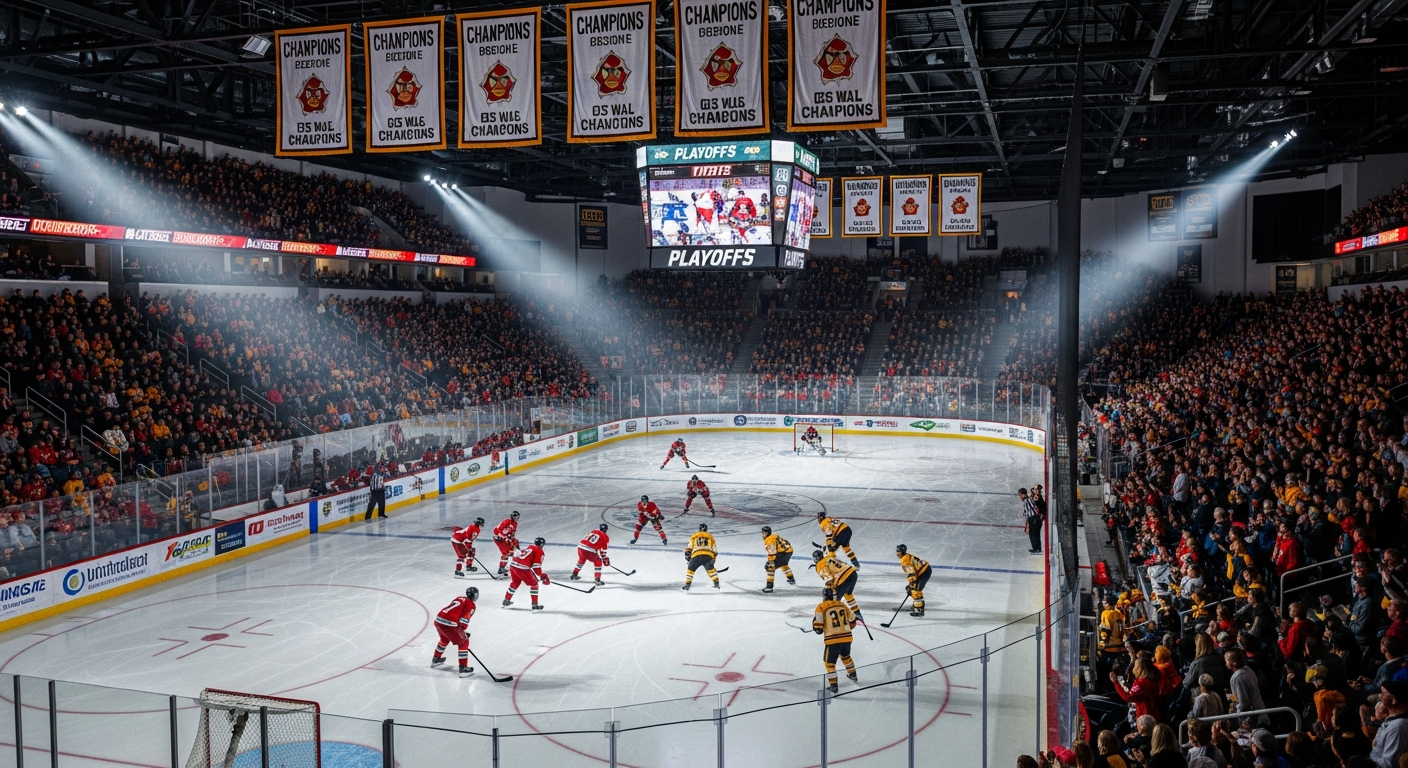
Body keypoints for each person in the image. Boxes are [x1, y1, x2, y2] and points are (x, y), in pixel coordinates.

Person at [812, 586, 858, 694]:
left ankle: (834, 686)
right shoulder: (842, 604)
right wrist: (845, 628)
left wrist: (816, 627)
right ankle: (853, 674)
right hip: (847, 637)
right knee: (846, 656)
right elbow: (853, 620)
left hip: (833, 640)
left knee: (829, 663)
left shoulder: (821, 607)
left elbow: (818, 628)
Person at [432, 587, 478, 677]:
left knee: (444, 639)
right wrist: (462, 632)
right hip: (450, 624)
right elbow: (464, 620)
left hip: (438, 620)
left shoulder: (459, 598)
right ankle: (463, 668)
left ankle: (436, 659)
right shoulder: (471, 605)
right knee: (464, 643)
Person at [813, 548, 862, 620]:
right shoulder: (828, 557)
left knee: (833, 601)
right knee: (848, 594)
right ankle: (857, 613)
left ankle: (832, 620)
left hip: (842, 579)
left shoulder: (820, 565)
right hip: (852, 573)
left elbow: (829, 578)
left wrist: (828, 589)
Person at [1369, 679, 1408, 768]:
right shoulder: (1393, 720)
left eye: (1383, 693)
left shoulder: (1398, 727)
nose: (1379, 696)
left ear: (1394, 700)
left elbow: (1389, 763)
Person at [1225, 648, 1269, 727]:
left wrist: (1243, 719)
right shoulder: (1248, 670)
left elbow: (1242, 701)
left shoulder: (1237, 678)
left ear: (1234, 663)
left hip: (1250, 718)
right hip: (1259, 710)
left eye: (1227, 660)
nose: (1226, 663)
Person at [503, 536, 549, 610]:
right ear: (542, 545)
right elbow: (536, 566)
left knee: (515, 582)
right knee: (534, 584)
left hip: (513, 565)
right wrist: (542, 576)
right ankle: (534, 605)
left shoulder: (530, 547)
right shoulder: (540, 551)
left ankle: (506, 600)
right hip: (522, 569)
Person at [897, 544, 932, 617]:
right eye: (897, 551)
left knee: (915, 590)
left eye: (899, 551)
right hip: (923, 571)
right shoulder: (905, 557)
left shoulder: (905, 560)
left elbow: (911, 574)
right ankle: (917, 605)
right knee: (913, 588)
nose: (897, 553)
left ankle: (919, 609)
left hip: (924, 572)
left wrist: (912, 585)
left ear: (903, 552)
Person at [682, 523, 720, 591]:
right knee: (710, 570)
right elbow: (715, 551)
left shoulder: (694, 536)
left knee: (690, 569)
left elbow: (689, 548)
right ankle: (716, 583)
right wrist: (713, 560)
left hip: (697, 555)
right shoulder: (711, 537)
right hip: (708, 556)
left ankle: (687, 585)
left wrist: (687, 556)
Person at [761, 525, 795, 593]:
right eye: (762, 533)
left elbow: (772, 552)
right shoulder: (773, 536)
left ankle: (769, 587)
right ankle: (791, 579)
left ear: (767, 533)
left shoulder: (770, 540)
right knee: (783, 564)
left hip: (784, 553)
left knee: (770, 567)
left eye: (764, 533)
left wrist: (770, 562)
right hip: (788, 550)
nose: (763, 535)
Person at [493, 511, 521, 576]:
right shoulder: (507, 521)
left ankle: (516, 565)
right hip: (499, 539)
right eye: (516, 517)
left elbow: (512, 533)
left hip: (506, 539)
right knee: (506, 553)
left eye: (518, 517)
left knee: (515, 551)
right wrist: (505, 537)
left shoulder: (515, 524)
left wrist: (513, 541)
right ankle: (501, 568)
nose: (517, 518)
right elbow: (500, 531)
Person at [1021, 487, 1043, 554]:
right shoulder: (1030, 499)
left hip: (1033, 518)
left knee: (1032, 533)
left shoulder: (1026, 501)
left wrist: (1027, 522)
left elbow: (1028, 512)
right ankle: (1037, 548)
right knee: (1036, 533)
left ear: (1024, 494)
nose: (1020, 497)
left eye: (1020, 495)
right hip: (1036, 517)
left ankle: (1036, 548)